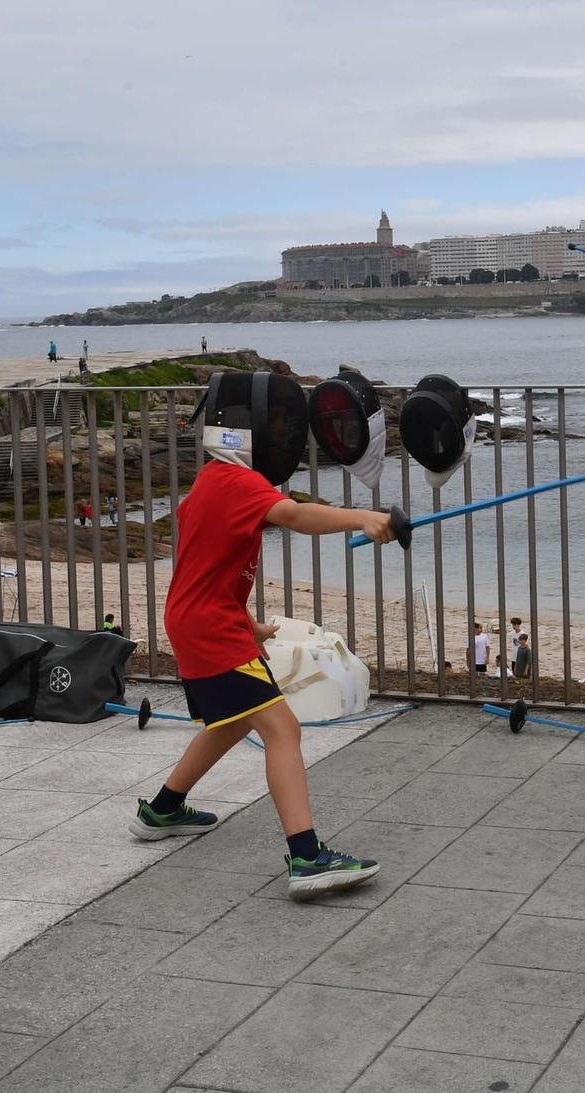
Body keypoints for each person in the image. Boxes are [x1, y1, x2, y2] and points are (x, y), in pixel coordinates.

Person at [130, 370, 391, 899]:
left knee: (228, 722)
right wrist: (363, 516)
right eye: (276, 421)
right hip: (209, 628)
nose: (283, 432)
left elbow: (202, 569)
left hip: (201, 620)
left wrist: (251, 626)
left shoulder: (210, 482)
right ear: (243, 428)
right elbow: (295, 515)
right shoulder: (239, 482)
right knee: (282, 730)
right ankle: (307, 856)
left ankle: (161, 810)